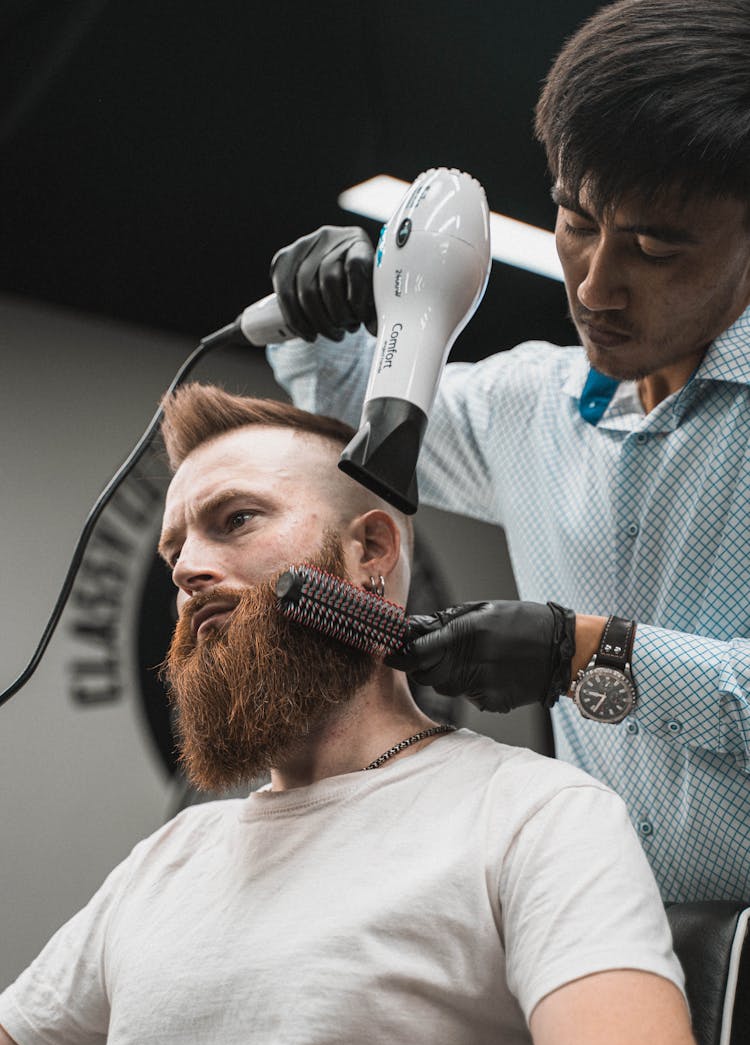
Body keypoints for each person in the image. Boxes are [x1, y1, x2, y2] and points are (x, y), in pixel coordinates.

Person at [0, 384, 722, 1045]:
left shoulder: (532, 815)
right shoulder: (161, 865)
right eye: (175, 547)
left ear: (369, 549)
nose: (186, 570)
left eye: (236, 519)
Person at [265, 0, 750, 904]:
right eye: (577, 221)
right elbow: (355, 408)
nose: (597, 283)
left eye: (655, 246)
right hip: (609, 934)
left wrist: (585, 654)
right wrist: (318, 315)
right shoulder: (530, 405)